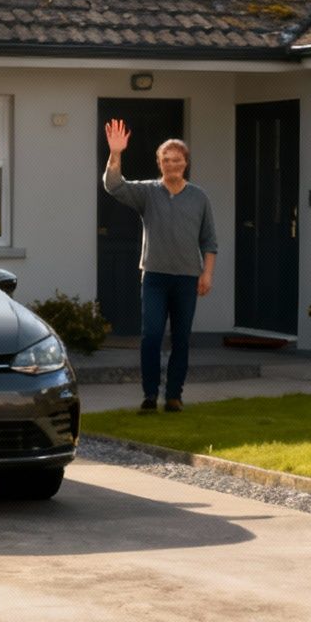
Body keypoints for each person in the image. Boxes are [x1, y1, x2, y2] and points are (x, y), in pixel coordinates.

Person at [102, 121, 217, 412]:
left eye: (176, 160)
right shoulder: (148, 193)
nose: (171, 165)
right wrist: (116, 153)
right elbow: (114, 186)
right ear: (159, 163)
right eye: (165, 160)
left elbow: (210, 241)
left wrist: (207, 273)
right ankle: (150, 396)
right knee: (152, 336)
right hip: (154, 276)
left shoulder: (199, 197)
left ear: (185, 163)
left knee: (181, 339)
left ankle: (174, 395)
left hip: (187, 278)